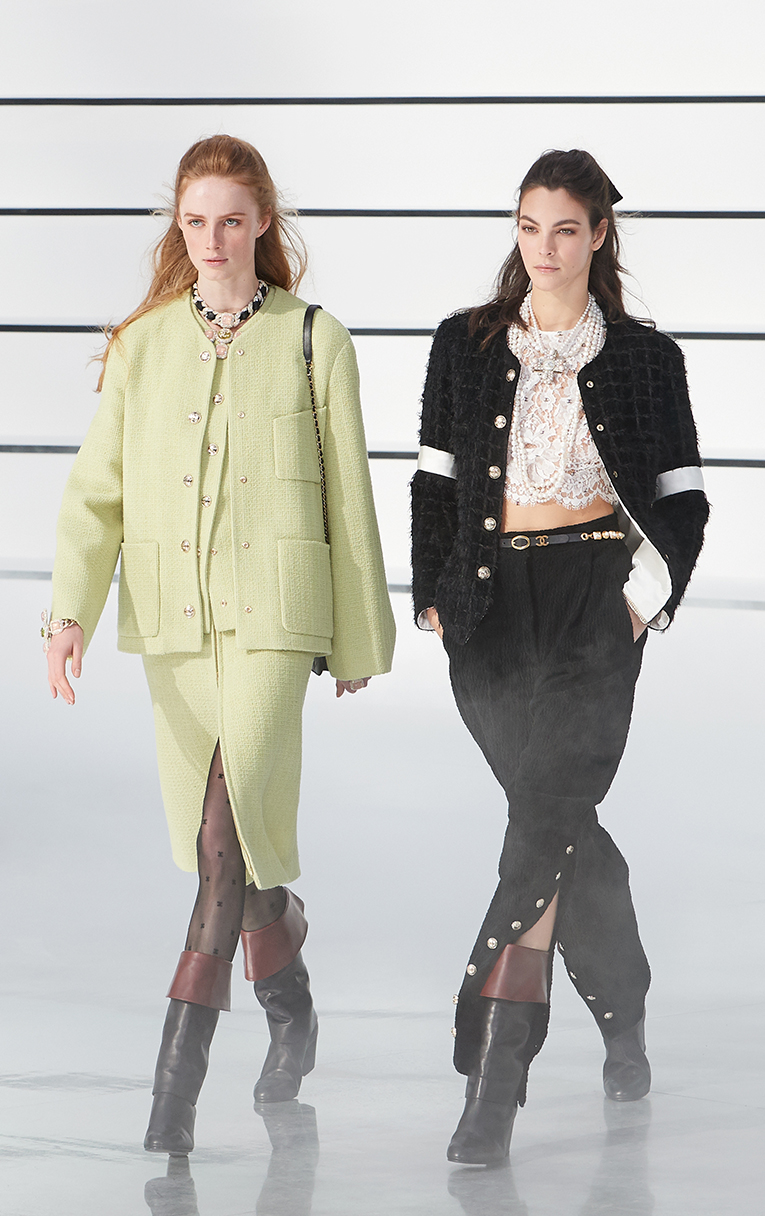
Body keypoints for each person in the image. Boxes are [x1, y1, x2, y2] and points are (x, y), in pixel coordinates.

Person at [44, 134, 395, 1155]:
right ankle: (290, 991)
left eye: (231, 220)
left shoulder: (315, 339)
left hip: (276, 620)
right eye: (194, 221)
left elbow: (348, 498)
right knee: (231, 846)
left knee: (218, 841)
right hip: (176, 623)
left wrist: (357, 636)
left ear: (261, 224)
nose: (211, 239)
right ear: (179, 227)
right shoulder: (143, 345)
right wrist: (68, 613)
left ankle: (173, 1100)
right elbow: (97, 493)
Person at [411, 149, 708, 1166]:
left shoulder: (646, 359)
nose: (544, 248)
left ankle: (493, 1082)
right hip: (487, 609)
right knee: (560, 822)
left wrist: (637, 603)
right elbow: (435, 481)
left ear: (598, 235)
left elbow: (682, 500)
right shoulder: (462, 344)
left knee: (539, 827)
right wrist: (434, 597)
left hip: (594, 601)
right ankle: (625, 1008)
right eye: (529, 227)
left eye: (565, 229)